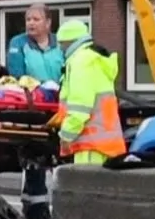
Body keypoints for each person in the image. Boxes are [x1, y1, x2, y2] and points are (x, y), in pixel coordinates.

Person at [7, 5, 66, 219]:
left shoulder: (59, 44)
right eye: (28, 19)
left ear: (48, 23)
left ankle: (52, 207)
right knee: (34, 158)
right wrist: (39, 90)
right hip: (31, 109)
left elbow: (66, 71)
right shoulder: (18, 43)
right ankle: (35, 210)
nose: (31, 23)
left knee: (58, 158)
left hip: (59, 108)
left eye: (36, 19)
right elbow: (16, 75)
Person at [54, 19, 127, 166]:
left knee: (84, 186)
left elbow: (80, 108)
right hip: (105, 143)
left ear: (68, 42)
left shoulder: (80, 63)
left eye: (61, 44)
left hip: (90, 144)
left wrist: (66, 135)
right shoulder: (93, 58)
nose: (60, 49)